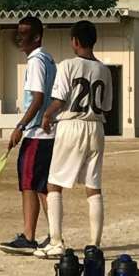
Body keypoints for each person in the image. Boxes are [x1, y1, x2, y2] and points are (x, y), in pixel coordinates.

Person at [34, 20, 112, 258]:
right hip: (96, 127)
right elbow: (106, 106)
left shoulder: (67, 65)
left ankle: (56, 241)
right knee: (93, 187)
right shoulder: (104, 70)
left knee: (54, 184)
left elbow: (59, 99)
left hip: (71, 125)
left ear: (75, 41)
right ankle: (94, 245)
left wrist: (47, 115)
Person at [0, 16, 57, 255]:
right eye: (18, 33)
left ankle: (29, 237)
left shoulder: (35, 61)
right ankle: (55, 236)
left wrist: (20, 126)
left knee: (29, 184)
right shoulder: (49, 59)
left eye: (24, 34)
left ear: (37, 37)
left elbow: (38, 98)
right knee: (43, 186)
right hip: (48, 133)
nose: (19, 38)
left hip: (36, 134)